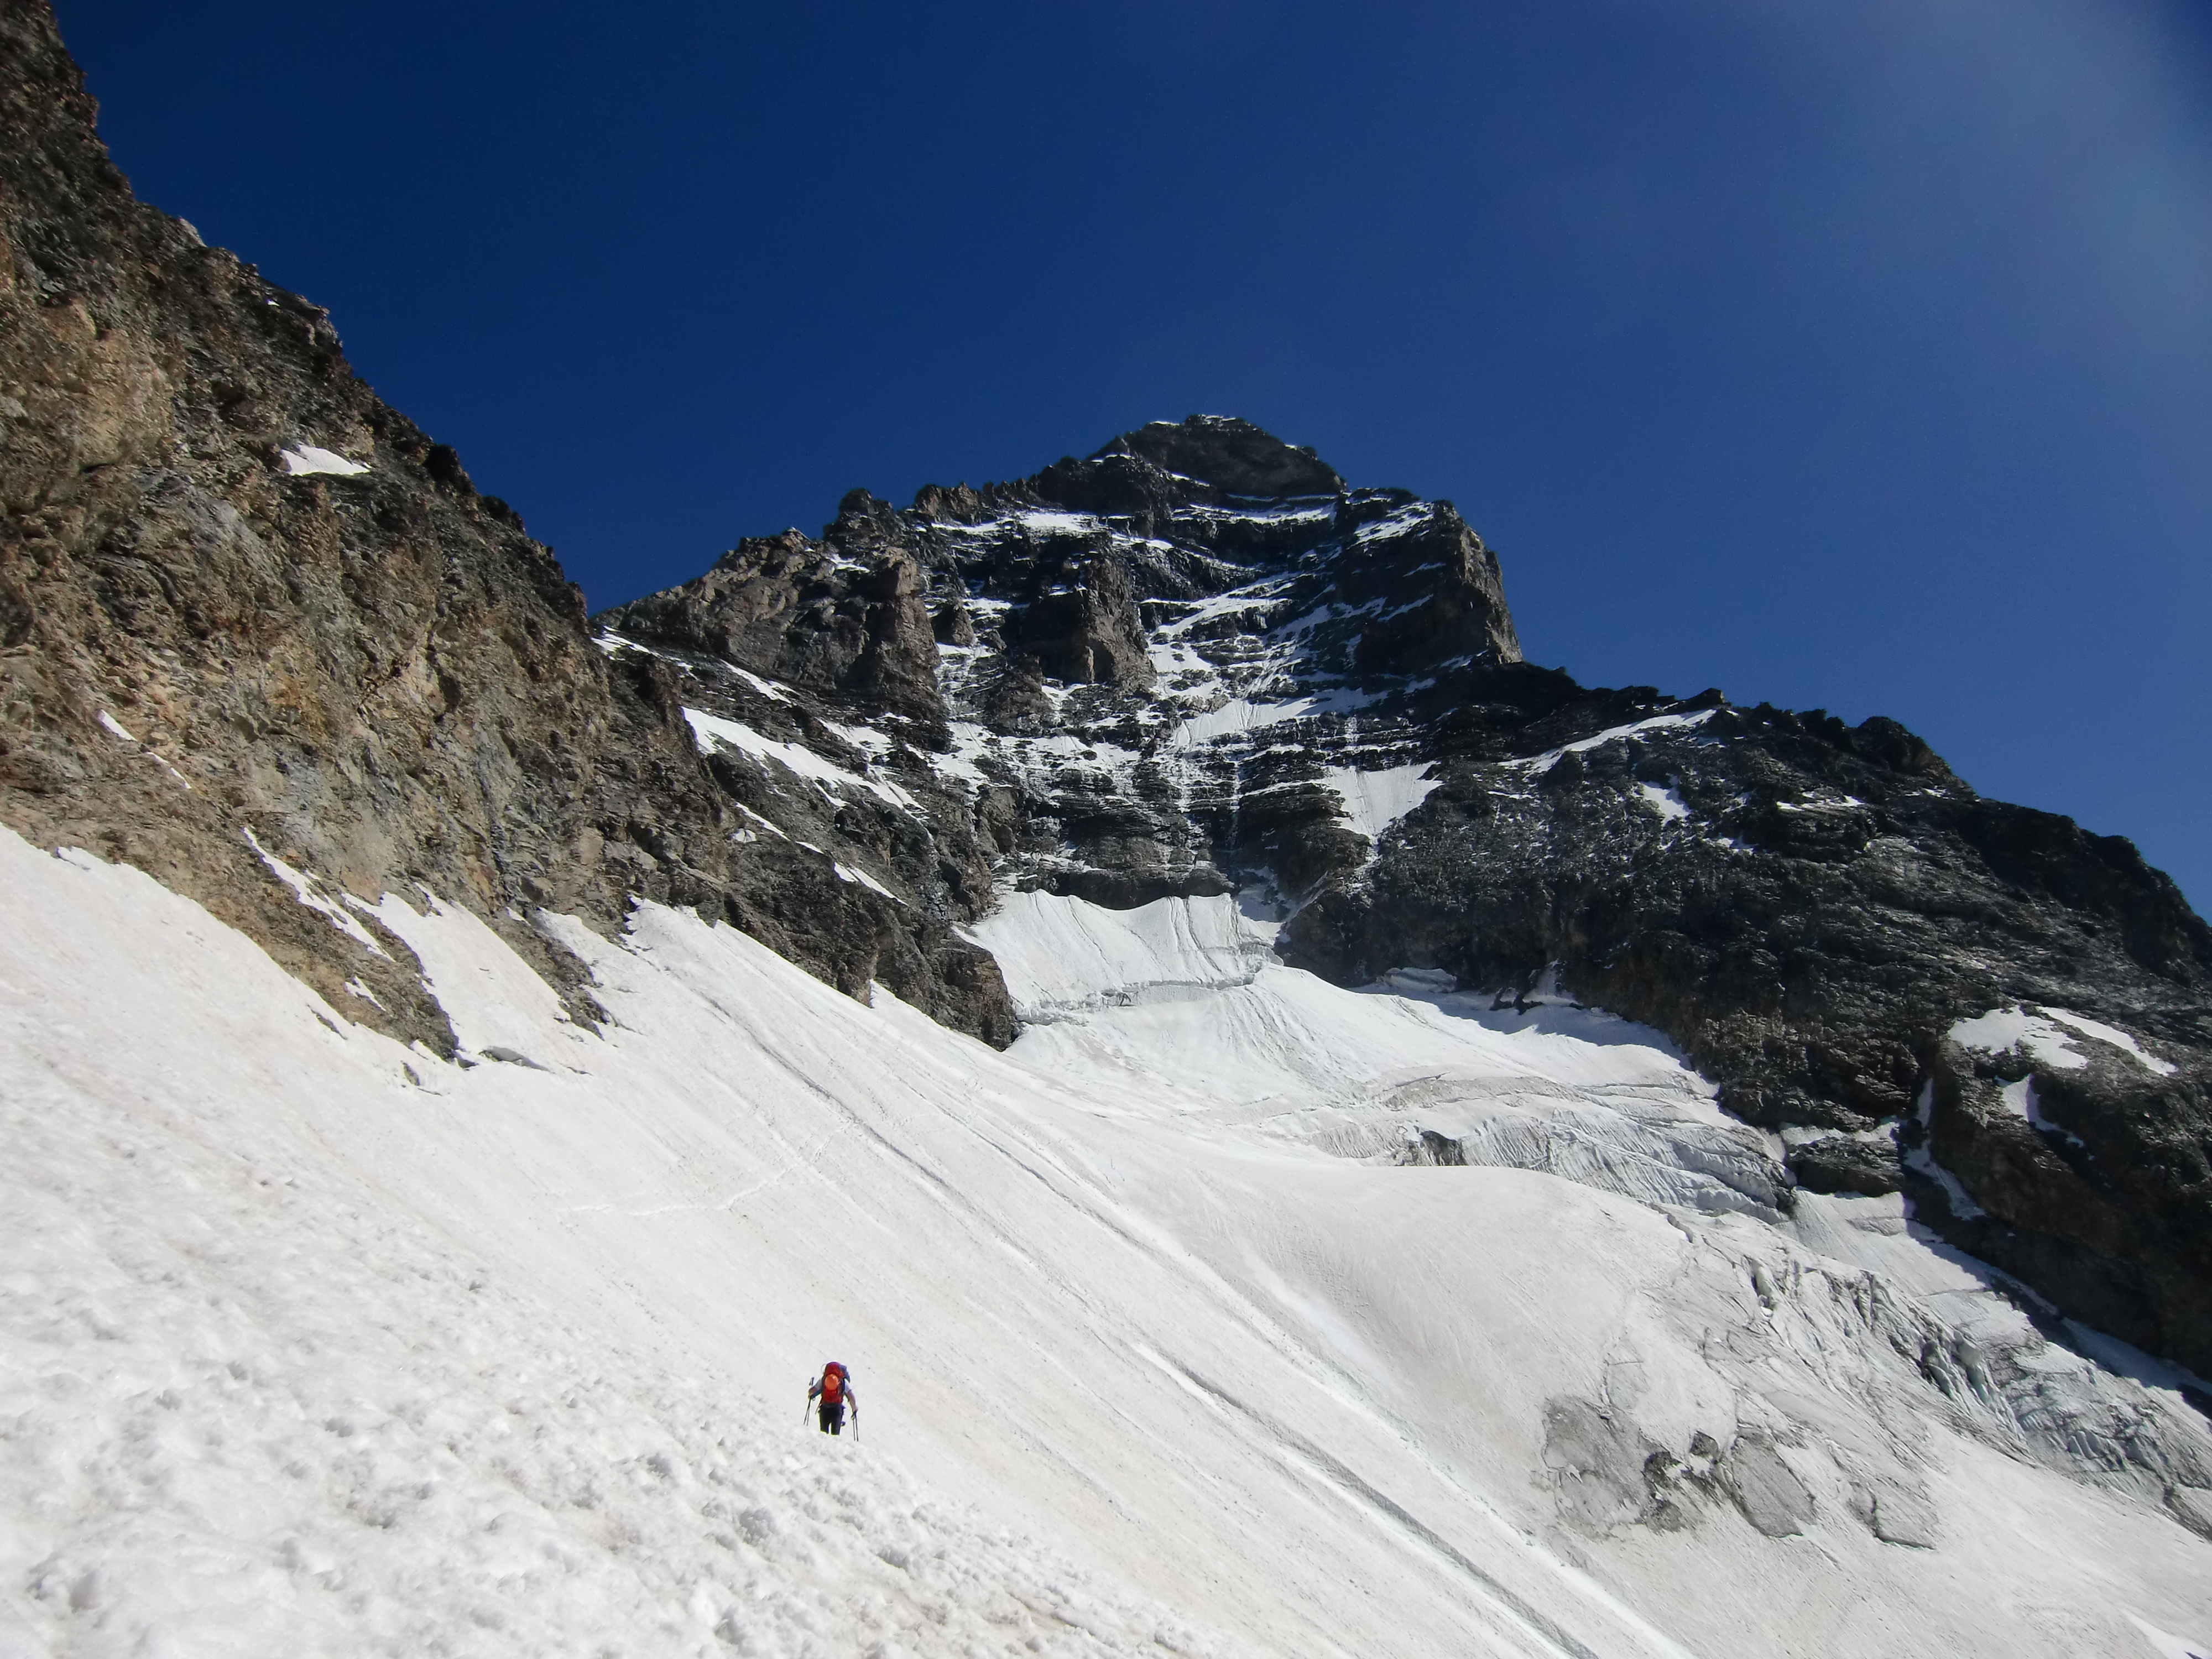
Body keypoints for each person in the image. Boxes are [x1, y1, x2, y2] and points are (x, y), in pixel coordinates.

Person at [807, 1361, 856, 1435]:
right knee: (835, 1435)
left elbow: (811, 1392)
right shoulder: (842, 1382)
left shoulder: (823, 1380)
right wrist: (855, 1408)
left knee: (823, 1434)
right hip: (837, 1410)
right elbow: (851, 1397)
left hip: (824, 1409)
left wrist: (811, 1392)